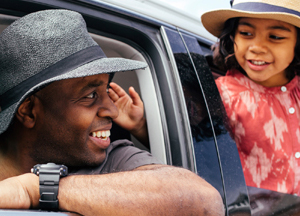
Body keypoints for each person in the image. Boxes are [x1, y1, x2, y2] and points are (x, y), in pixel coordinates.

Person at [0, 9, 225, 215]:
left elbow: (205, 201)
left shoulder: (111, 161)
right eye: (90, 96)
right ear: (29, 111)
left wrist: (37, 188)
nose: (113, 110)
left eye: (106, 90)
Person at [200, 0, 300, 195]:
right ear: (232, 37)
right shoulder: (222, 97)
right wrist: (143, 126)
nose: (257, 47)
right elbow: (192, 146)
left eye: (275, 36)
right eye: (246, 33)